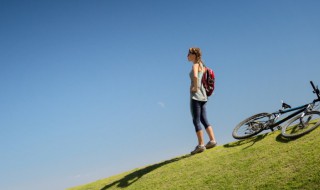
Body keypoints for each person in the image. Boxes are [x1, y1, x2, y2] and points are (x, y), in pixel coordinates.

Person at [187, 47, 217, 155]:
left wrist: (195, 87)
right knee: (204, 118)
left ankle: (201, 145)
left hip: (196, 96)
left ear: (194, 55)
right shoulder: (202, 66)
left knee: (196, 120)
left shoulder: (195, 65)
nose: (187, 56)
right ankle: (212, 140)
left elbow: (195, 76)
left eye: (189, 54)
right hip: (204, 96)